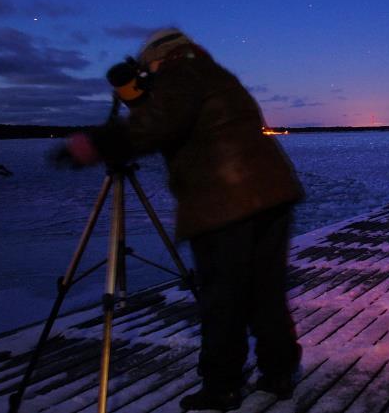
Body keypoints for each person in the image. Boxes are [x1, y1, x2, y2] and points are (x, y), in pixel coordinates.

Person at [63, 28, 303, 411]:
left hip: (225, 202)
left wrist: (94, 145)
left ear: (159, 57)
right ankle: (279, 373)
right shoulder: (211, 73)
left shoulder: (181, 74)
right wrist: (138, 98)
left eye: (147, 68)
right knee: (265, 293)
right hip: (271, 193)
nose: (147, 75)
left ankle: (222, 386)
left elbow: (159, 124)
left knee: (222, 298)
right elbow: (174, 118)